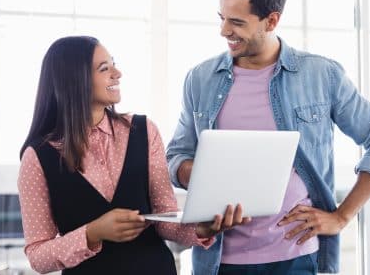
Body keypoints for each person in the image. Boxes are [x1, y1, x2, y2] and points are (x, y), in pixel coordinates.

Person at [166, 0, 370, 275]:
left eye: (237, 22)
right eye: (222, 19)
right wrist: (199, 174)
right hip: (220, 260)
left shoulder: (321, 75)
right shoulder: (200, 79)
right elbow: (177, 154)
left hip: (298, 258)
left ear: (272, 20)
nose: (224, 32)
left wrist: (342, 216)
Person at [18, 36, 247, 275]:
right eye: (104, 68)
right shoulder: (38, 156)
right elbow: (38, 257)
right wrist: (92, 233)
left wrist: (203, 230)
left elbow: (164, 219)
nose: (117, 73)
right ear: (73, 80)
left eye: (113, 64)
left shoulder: (144, 131)